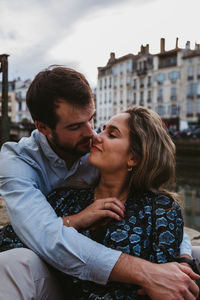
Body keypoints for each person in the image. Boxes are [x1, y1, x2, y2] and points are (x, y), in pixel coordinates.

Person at [0, 66, 199, 300]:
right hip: (56, 276)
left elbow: (162, 215)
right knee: (14, 263)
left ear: (133, 158)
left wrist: (182, 258)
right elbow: (42, 236)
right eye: (75, 126)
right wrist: (78, 219)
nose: (92, 133)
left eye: (92, 119)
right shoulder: (19, 164)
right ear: (43, 127)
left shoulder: (99, 156)